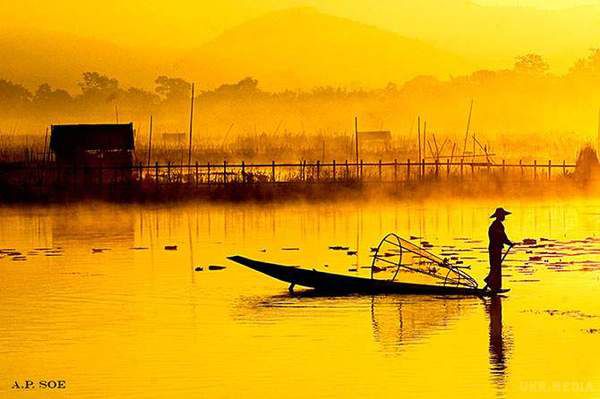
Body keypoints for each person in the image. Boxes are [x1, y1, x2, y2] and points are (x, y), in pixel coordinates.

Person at [485, 208, 513, 292]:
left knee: (496, 267)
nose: (504, 217)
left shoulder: (496, 225)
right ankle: (493, 285)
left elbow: (502, 237)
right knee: (496, 267)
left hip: (495, 248)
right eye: (503, 215)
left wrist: (508, 242)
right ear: (499, 216)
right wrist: (509, 243)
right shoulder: (497, 226)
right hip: (495, 248)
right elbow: (502, 237)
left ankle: (494, 285)